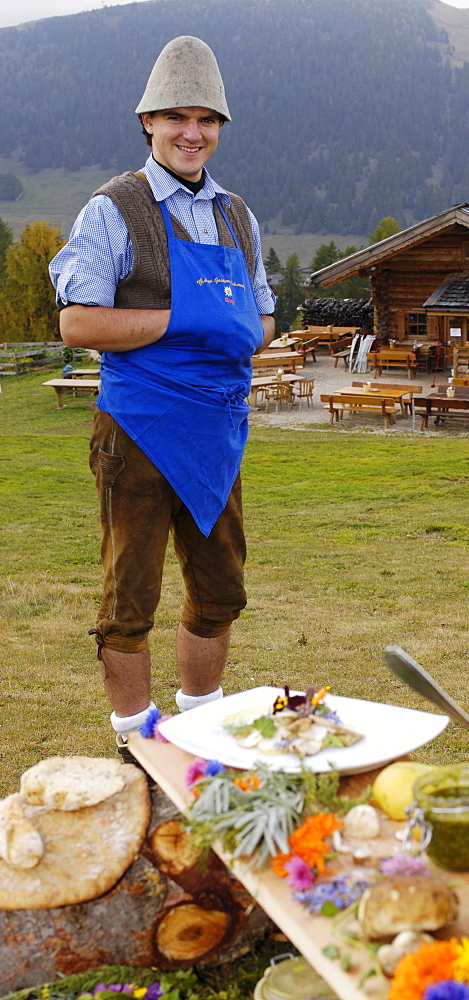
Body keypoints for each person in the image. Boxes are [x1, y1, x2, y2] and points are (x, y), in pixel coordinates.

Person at [49, 36, 275, 762]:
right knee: (130, 599)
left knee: (219, 594)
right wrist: (187, 320)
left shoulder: (238, 215)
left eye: (207, 119)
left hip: (217, 431)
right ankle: (139, 750)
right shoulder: (114, 208)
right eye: (176, 116)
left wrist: (242, 326)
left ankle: (200, 737)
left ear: (219, 129)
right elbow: (78, 321)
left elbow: (262, 319)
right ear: (147, 121)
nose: (192, 132)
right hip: (138, 431)